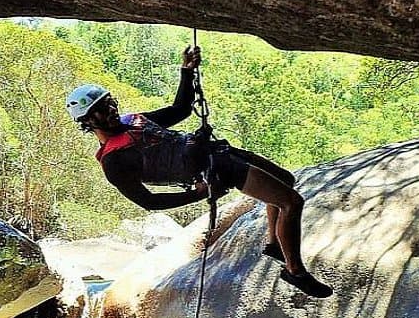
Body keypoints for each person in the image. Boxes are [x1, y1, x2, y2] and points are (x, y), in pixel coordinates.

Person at [65, 47, 332, 298]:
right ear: (87, 121)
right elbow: (147, 201)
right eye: (99, 111)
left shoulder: (134, 121)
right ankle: (295, 272)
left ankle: (274, 244)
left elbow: (179, 110)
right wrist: (198, 194)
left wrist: (187, 71)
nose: (110, 111)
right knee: (291, 201)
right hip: (216, 169)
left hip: (218, 152)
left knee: (285, 180)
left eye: (109, 103)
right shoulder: (114, 160)